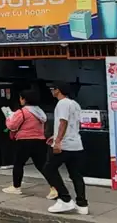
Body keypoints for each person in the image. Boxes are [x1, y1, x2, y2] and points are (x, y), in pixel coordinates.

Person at [2, 89, 56, 197]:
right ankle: (54, 187)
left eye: (21, 98)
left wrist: (8, 118)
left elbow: (12, 126)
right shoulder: (40, 112)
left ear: (24, 99)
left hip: (24, 141)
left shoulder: (22, 112)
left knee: (18, 164)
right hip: (39, 141)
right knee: (42, 165)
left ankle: (16, 187)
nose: (20, 100)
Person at [45, 83, 88, 215]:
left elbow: (63, 122)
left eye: (52, 89)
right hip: (76, 144)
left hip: (65, 145)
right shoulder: (75, 104)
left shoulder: (62, 103)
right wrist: (55, 136)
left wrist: (58, 141)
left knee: (48, 169)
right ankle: (82, 204)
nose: (51, 91)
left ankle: (65, 199)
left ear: (58, 90)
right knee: (76, 174)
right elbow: (72, 124)